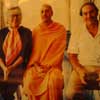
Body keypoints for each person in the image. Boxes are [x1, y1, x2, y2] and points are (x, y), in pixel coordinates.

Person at [23, 4, 66, 100]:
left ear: (52, 13)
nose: (44, 14)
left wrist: (48, 65)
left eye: (47, 11)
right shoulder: (36, 31)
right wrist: (36, 65)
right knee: (30, 80)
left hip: (53, 67)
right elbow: (34, 52)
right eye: (42, 12)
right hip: (36, 66)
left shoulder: (60, 29)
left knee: (54, 81)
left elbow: (59, 51)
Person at [66, 2, 100, 100]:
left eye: (91, 12)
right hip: (82, 68)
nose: (89, 16)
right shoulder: (77, 30)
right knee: (70, 94)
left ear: (97, 13)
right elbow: (72, 55)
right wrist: (79, 70)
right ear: (82, 16)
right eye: (85, 14)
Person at [0, 6, 32, 100]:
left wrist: (11, 68)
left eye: (17, 15)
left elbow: (24, 54)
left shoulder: (26, 32)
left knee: (8, 88)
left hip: (18, 68)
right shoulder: (1, 33)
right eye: (12, 16)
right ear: (7, 18)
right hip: (2, 67)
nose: (15, 18)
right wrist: (5, 68)